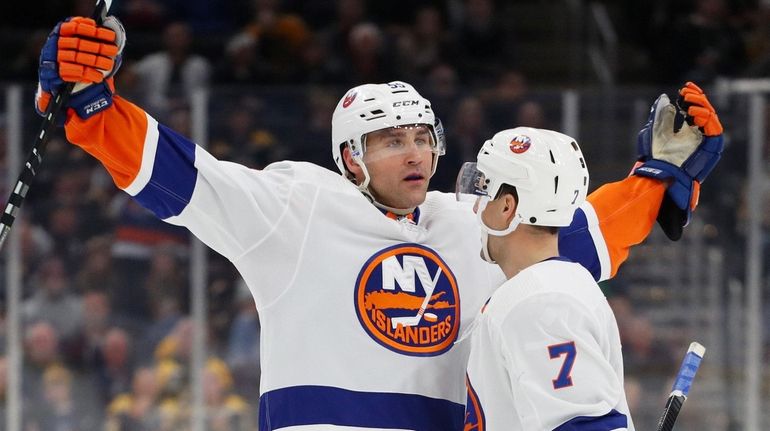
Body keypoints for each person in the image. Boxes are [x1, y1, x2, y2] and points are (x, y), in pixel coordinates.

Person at [35, 16, 722, 430]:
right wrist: (93, 108)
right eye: (390, 139)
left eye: (422, 136)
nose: (415, 151)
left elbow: (570, 237)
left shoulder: (472, 225)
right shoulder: (296, 209)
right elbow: (182, 176)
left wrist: (658, 177)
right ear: (349, 158)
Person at [457, 127, 632, 430]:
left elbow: (583, 425)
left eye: (483, 192)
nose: (476, 206)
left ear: (506, 207)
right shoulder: (558, 285)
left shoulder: (540, 301)